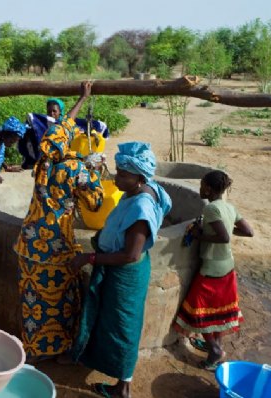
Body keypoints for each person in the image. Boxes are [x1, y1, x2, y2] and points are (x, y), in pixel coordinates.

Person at [69, 142, 172, 398]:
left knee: (123, 328)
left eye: (123, 175)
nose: (117, 178)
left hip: (126, 275)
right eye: (118, 171)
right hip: (121, 271)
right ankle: (113, 375)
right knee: (113, 324)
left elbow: (130, 254)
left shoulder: (141, 208)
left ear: (139, 177)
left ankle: (123, 388)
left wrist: (89, 258)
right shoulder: (140, 191)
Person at [14, 154, 104, 362]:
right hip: (58, 245)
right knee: (62, 300)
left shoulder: (42, 163)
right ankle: (60, 349)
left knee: (32, 300)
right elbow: (95, 203)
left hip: (29, 243)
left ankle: (33, 349)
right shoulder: (78, 168)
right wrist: (95, 173)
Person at [173, 170, 253, 371]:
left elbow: (224, 237)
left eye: (201, 185)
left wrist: (201, 236)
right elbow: (248, 231)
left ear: (208, 188)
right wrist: (224, 227)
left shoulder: (210, 210)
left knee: (198, 309)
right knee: (218, 310)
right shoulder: (228, 207)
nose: (200, 188)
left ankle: (215, 351)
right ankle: (217, 347)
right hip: (227, 265)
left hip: (212, 267)